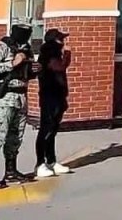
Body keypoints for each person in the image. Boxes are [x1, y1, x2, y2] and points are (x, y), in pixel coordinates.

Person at [0, 22, 38, 188]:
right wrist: (12, 63)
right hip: (5, 97)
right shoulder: (2, 47)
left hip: (21, 96)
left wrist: (34, 70)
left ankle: (11, 171)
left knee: (16, 136)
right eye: (23, 32)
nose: (26, 36)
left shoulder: (26, 48)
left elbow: (26, 71)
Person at [35, 29, 72, 178]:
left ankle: (51, 161)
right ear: (55, 41)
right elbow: (59, 66)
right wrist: (68, 54)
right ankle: (40, 164)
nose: (63, 42)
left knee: (53, 130)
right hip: (49, 97)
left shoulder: (54, 53)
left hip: (57, 96)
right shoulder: (48, 53)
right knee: (46, 129)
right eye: (61, 39)